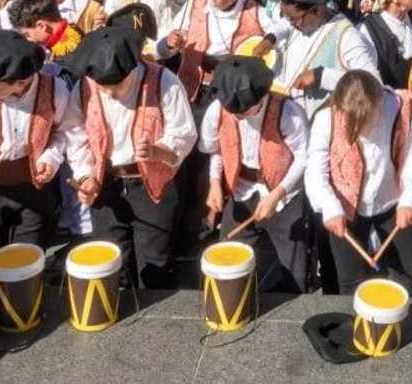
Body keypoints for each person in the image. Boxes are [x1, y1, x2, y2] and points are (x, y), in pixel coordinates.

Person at [65, 23, 196, 289]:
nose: (110, 92)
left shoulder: (164, 81)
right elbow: (76, 136)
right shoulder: (83, 87)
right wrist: (85, 176)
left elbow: (184, 133)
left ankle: (154, 323)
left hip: (152, 185)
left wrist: (158, 150)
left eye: (117, 84)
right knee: (112, 258)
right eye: (103, 87)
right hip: (107, 182)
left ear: (132, 68)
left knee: (155, 260)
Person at [0, 29, 78, 261]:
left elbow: (63, 132)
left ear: (20, 82)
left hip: (33, 190)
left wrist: (50, 158)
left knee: (27, 259)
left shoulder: (55, 90)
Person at [200, 55, 312, 293]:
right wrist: (214, 183)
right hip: (242, 190)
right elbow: (215, 150)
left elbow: (304, 158)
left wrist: (277, 194)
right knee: (228, 259)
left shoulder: (288, 111)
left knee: (294, 271)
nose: (238, 118)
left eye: (245, 113)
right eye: (235, 114)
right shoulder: (217, 111)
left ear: (261, 97)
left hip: (284, 195)